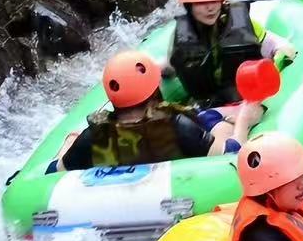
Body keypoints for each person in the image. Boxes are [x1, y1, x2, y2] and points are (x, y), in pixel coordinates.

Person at [49, 51, 238, 172]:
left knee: (71, 138)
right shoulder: (178, 127)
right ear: (154, 89)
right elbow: (230, 153)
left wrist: (68, 145)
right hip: (177, 192)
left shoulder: (92, 138)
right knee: (215, 122)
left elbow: (53, 172)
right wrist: (242, 121)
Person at [167, 0, 294, 116]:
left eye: (214, 0)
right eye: (202, 3)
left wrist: (277, 61)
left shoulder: (240, 24)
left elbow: (281, 47)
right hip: (208, 103)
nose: (210, 8)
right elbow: (171, 66)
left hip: (248, 100)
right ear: (189, 6)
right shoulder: (182, 36)